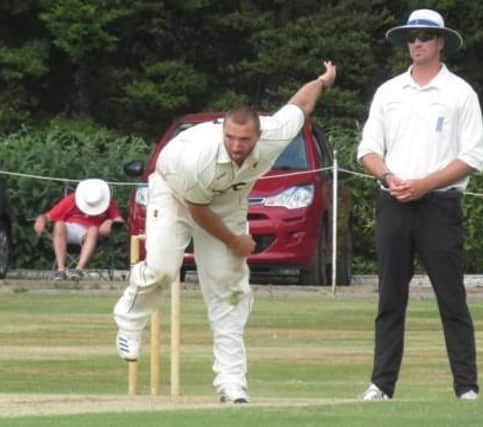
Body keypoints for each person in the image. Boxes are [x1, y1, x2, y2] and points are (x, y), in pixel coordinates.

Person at [113, 61, 336, 404]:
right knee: (162, 269)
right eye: (230, 137)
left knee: (229, 292)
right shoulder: (200, 158)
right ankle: (129, 316)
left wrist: (322, 80)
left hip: (227, 203)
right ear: (223, 133)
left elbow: (300, 105)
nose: (236, 145)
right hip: (174, 192)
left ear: (258, 136)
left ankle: (232, 385)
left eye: (244, 139)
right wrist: (236, 241)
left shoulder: (273, 133)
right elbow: (198, 211)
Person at [356, 9, 483, 401]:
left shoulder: (460, 93)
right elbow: (368, 150)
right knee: (390, 297)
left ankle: (466, 386)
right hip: (394, 202)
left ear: (440, 42)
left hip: (439, 206)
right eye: (412, 37)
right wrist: (390, 178)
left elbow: (473, 157)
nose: (417, 43)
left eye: (426, 36)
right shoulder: (389, 92)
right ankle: (381, 384)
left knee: (452, 298)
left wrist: (425, 185)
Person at [34, 178, 124, 280]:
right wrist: (40, 220)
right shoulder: (72, 199)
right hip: (69, 230)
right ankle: (61, 270)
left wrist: (111, 222)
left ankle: (78, 269)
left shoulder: (108, 203)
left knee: (93, 229)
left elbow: (119, 221)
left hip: (91, 236)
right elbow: (47, 216)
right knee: (59, 224)